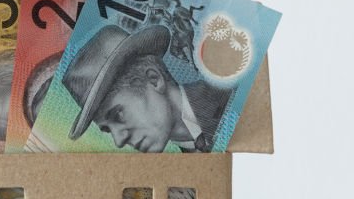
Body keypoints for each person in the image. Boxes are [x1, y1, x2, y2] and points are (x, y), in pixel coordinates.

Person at [63, 25, 230, 152]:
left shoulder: (232, 102)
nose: (119, 141)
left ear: (154, 79)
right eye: (107, 130)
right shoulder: (187, 161)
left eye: (118, 115)